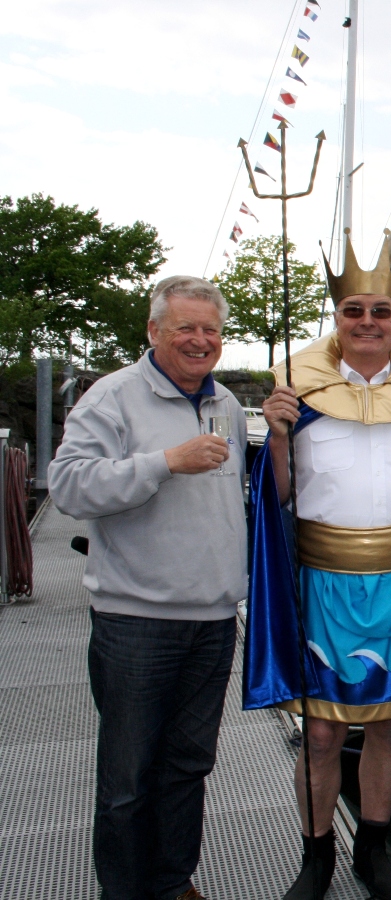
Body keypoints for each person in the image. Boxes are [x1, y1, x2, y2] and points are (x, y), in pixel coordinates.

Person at [248, 230, 391, 900]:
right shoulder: (301, 395)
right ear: (337, 319)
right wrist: (278, 435)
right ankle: (315, 855)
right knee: (322, 733)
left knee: (387, 723)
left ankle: (372, 850)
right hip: (322, 583)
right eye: (354, 310)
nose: (368, 322)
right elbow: (278, 498)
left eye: (381, 311)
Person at [49, 276, 247, 900]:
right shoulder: (112, 397)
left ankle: (172, 883)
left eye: (210, 329)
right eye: (185, 327)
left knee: (189, 766)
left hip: (213, 620)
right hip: (136, 622)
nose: (199, 340)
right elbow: (69, 486)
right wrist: (165, 462)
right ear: (154, 330)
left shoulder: (228, 404)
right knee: (128, 777)